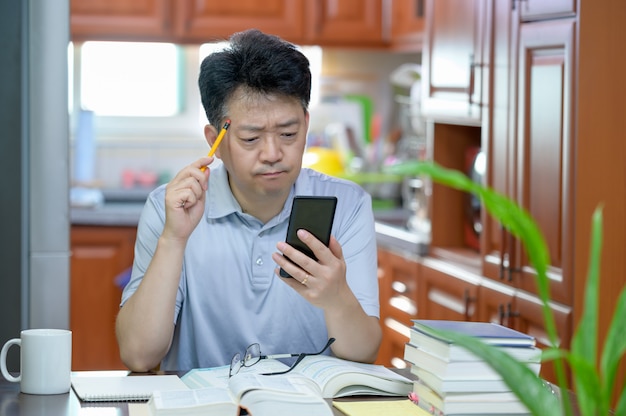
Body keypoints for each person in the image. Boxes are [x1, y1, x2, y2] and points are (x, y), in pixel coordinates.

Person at [115, 29, 382, 372]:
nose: (273, 154)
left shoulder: (348, 206)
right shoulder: (170, 209)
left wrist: (336, 297)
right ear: (216, 140)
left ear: (306, 124)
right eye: (251, 138)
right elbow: (138, 355)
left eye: (289, 134)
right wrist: (173, 239)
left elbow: (365, 354)